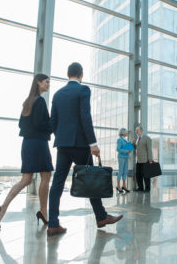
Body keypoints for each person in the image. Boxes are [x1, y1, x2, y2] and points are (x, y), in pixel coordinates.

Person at [47, 62, 123, 236]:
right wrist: (93, 143)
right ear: (81, 74)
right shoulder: (83, 90)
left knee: (57, 183)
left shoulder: (58, 94)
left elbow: (53, 123)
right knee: (90, 179)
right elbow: (85, 117)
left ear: (68, 75)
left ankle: (53, 223)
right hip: (80, 144)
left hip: (63, 145)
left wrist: (60, 137)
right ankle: (101, 216)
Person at [0, 74, 53, 228]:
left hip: (27, 144)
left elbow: (20, 125)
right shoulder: (41, 102)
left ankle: (1, 210)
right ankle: (44, 212)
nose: (48, 84)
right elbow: (40, 124)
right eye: (46, 82)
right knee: (46, 175)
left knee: (26, 179)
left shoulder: (28, 102)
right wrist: (53, 124)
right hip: (38, 143)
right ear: (38, 82)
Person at [132, 126, 153, 192]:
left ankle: (147, 188)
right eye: (135, 130)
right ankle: (140, 188)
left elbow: (149, 149)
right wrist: (133, 144)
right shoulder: (138, 139)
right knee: (138, 175)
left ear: (141, 131)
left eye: (137, 130)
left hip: (145, 160)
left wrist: (150, 158)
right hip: (138, 160)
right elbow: (137, 148)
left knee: (146, 175)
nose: (136, 132)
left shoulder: (147, 138)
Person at [116, 128, 132, 193]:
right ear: (123, 132)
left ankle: (124, 186)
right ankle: (118, 186)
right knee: (121, 171)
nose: (127, 133)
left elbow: (128, 149)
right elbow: (118, 149)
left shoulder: (125, 140)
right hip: (121, 157)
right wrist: (126, 151)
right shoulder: (119, 139)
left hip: (125, 157)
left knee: (125, 171)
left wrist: (130, 147)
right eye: (126, 132)